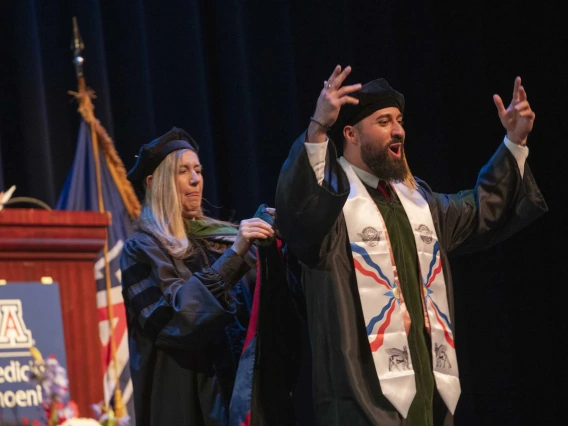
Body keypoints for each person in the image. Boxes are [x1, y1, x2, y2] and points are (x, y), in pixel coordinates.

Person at [275, 65, 548, 426]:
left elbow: (480, 209)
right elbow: (299, 217)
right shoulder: (330, 206)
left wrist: (514, 142)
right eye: (384, 121)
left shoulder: (418, 201)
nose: (399, 130)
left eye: (400, 120)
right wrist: (317, 128)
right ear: (351, 133)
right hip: (362, 403)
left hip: (427, 399)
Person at [120, 127, 294, 425]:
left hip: (241, 401)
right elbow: (179, 322)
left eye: (198, 169)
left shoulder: (221, 239)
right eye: (183, 171)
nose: (195, 179)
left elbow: (272, 308)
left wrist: (277, 243)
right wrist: (235, 255)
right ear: (153, 182)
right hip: (185, 402)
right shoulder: (142, 249)